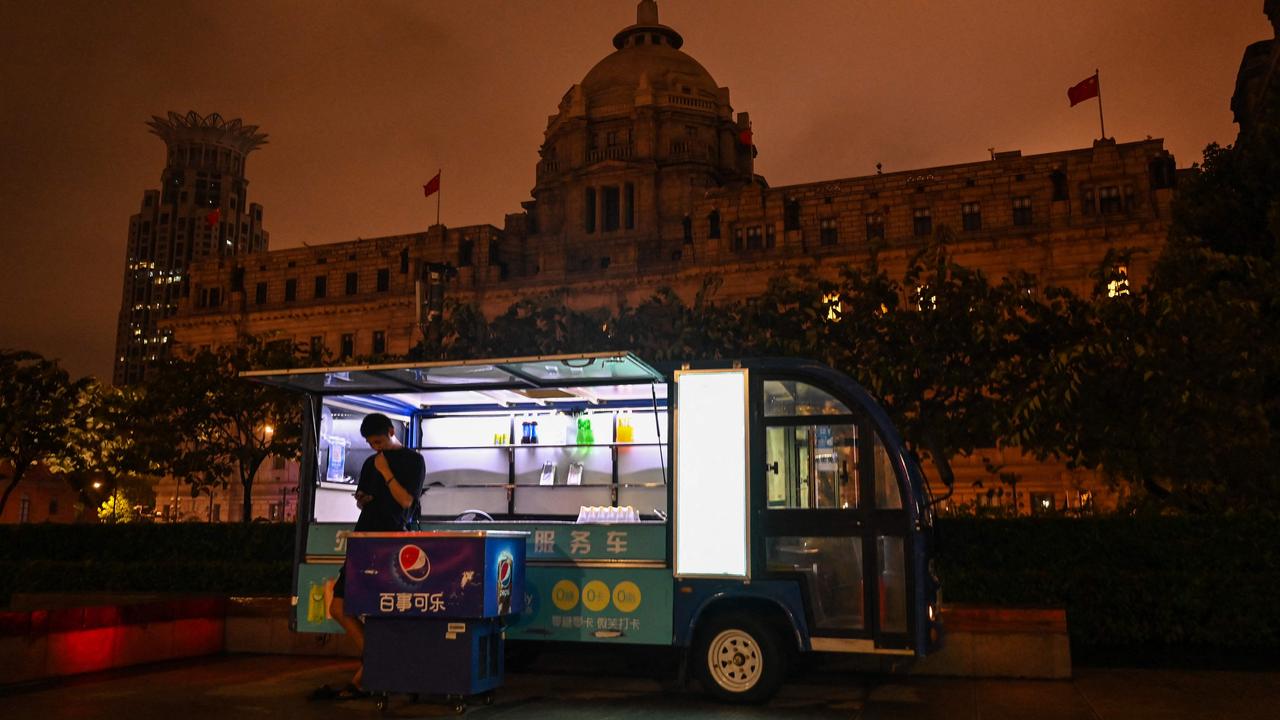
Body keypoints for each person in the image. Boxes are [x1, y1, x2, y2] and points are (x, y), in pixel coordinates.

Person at [313, 412, 425, 701]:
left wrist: (386, 472)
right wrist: (363, 499)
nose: (375, 447)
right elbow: (364, 500)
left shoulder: (412, 460)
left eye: (378, 440)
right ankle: (380, 662)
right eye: (370, 443)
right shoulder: (368, 462)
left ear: (390, 431)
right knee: (339, 606)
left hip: (392, 543)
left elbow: (405, 502)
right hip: (364, 539)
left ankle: (370, 674)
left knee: (382, 611)